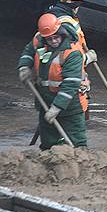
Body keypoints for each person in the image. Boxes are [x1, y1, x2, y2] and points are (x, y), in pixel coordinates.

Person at [17, 13, 87, 149]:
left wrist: (57, 108)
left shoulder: (72, 53)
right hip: (45, 100)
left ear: (61, 33)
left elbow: (70, 84)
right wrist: (24, 66)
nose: (54, 41)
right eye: (49, 39)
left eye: (56, 37)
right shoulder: (39, 39)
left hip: (69, 104)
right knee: (49, 144)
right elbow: (28, 51)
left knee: (77, 144)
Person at [48, 0, 96, 115]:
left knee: (55, 124)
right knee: (73, 122)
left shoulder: (52, 18)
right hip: (67, 80)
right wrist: (88, 58)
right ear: (76, 5)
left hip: (55, 80)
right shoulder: (66, 24)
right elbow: (70, 55)